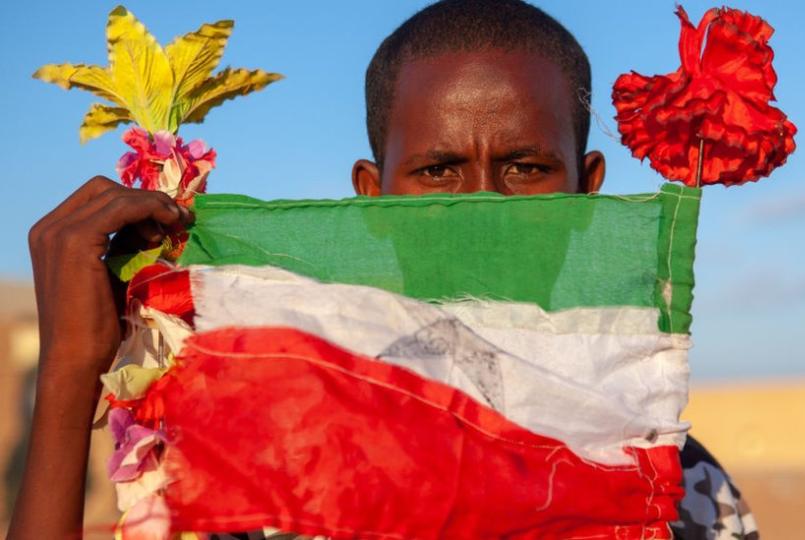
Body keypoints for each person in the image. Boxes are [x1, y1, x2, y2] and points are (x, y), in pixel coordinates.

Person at [10, 1, 758, 538]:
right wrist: (71, 374)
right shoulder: (267, 459)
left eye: (526, 168)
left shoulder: (667, 480)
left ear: (586, 193)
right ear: (372, 199)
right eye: (437, 172)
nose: (482, 210)